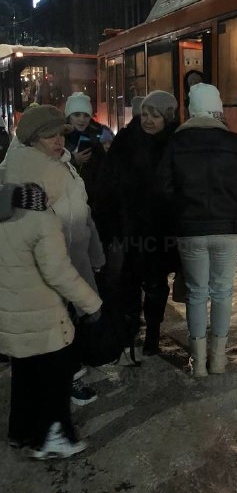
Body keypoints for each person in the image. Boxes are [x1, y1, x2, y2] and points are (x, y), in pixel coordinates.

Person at [0, 104, 106, 405]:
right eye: (50, 136)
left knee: (69, 327)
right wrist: (10, 197)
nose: (58, 141)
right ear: (32, 139)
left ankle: (64, 382)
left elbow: (83, 212)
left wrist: (94, 251)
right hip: (42, 270)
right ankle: (60, 393)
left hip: (73, 258)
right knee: (56, 332)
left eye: (60, 134)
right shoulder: (17, 167)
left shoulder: (64, 164)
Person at [156, 84, 237, 376]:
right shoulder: (234, 142)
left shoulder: (176, 142)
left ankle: (198, 362)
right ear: (217, 109)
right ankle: (219, 360)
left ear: (192, 109)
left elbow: (162, 188)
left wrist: (182, 210)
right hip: (228, 229)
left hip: (190, 230)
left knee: (197, 294)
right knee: (223, 292)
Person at [0, 182, 101, 458]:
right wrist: (90, 303)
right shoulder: (43, 223)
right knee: (56, 376)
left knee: (24, 374)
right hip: (43, 317)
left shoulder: (5, 221)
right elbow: (58, 273)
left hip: (12, 318)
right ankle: (53, 436)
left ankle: (20, 432)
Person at [94, 90, 179, 358]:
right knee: (127, 284)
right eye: (146, 114)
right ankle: (130, 328)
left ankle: (153, 330)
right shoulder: (126, 140)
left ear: (168, 118)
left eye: (156, 115)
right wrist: (108, 225)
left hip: (160, 230)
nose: (149, 120)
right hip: (127, 227)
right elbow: (106, 184)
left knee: (155, 284)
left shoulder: (175, 144)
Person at [63, 92, 106, 206]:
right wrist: (73, 160)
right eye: (77, 115)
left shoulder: (95, 139)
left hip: (91, 200)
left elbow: (103, 171)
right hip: (65, 199)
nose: (82, 120)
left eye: (86, 115)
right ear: (69, 117)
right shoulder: (58, 137)